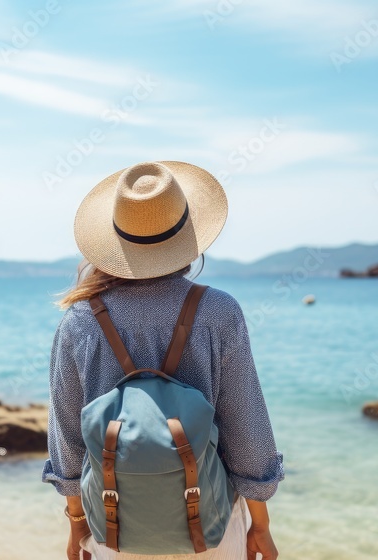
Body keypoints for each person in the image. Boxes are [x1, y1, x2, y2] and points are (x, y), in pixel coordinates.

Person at [41, 161, 284, 559]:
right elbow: (246, 429)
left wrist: (78, 525)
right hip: (211, 525)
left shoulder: (80, 321)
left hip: (113, 525)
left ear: (115, 241)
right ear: (187, 234)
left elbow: (67, 439)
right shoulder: (219, 312)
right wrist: (260, 525)